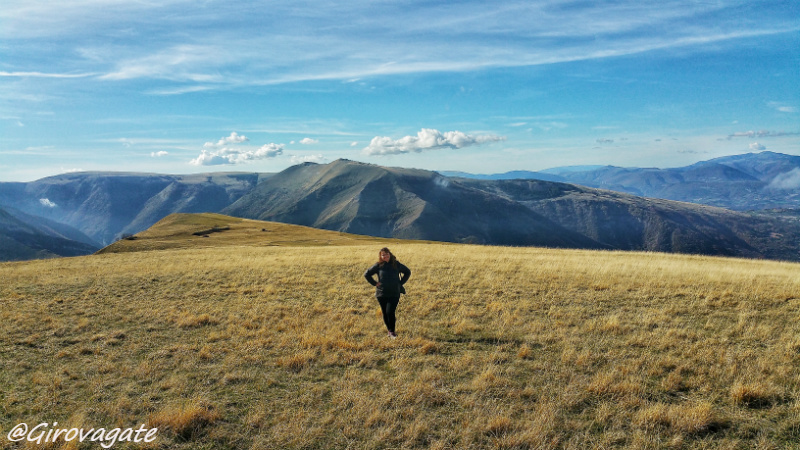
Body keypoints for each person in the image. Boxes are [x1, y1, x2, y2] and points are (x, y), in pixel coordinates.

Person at [364, 247, 411, 338]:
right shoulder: (378, 265)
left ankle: (392, 332)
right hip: (381, 294)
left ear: (390, 254)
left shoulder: (396, 264)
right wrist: (375, 283)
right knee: (385, 312)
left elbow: (407, 272)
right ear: (380, 256)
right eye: (383, 255)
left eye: (387, 254)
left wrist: (400, 283)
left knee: (390, 312)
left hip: (394, 293)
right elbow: (367, 274)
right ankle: (389, 330)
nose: (385, 256)